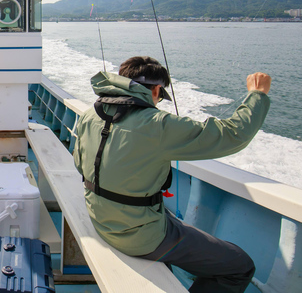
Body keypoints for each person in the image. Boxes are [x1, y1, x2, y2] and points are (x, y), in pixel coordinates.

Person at [73, 56, 271, 293]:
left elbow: (80, 165)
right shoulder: (158, 124)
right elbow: (232, 135)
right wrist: (257, 95)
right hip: (137, 236)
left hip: (100, 219)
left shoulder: (89, 115)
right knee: (239, 265)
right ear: (156, 90)